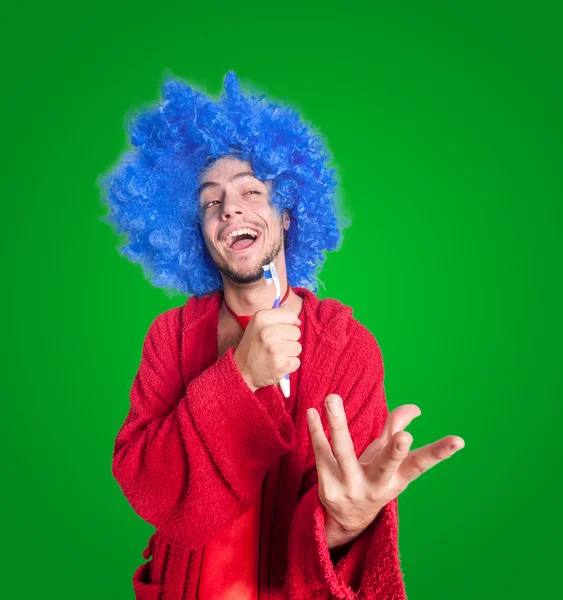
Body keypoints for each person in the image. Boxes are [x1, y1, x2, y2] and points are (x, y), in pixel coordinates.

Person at [99, 72, 464, 600]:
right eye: (209, 202)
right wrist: (240, 375)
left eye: (252, 190)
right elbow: (145, 481)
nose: (230, 208)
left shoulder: (347, 346)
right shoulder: (171, 337)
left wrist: (349, 520)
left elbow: (346, 505)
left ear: (288, 213)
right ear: (195, 232)